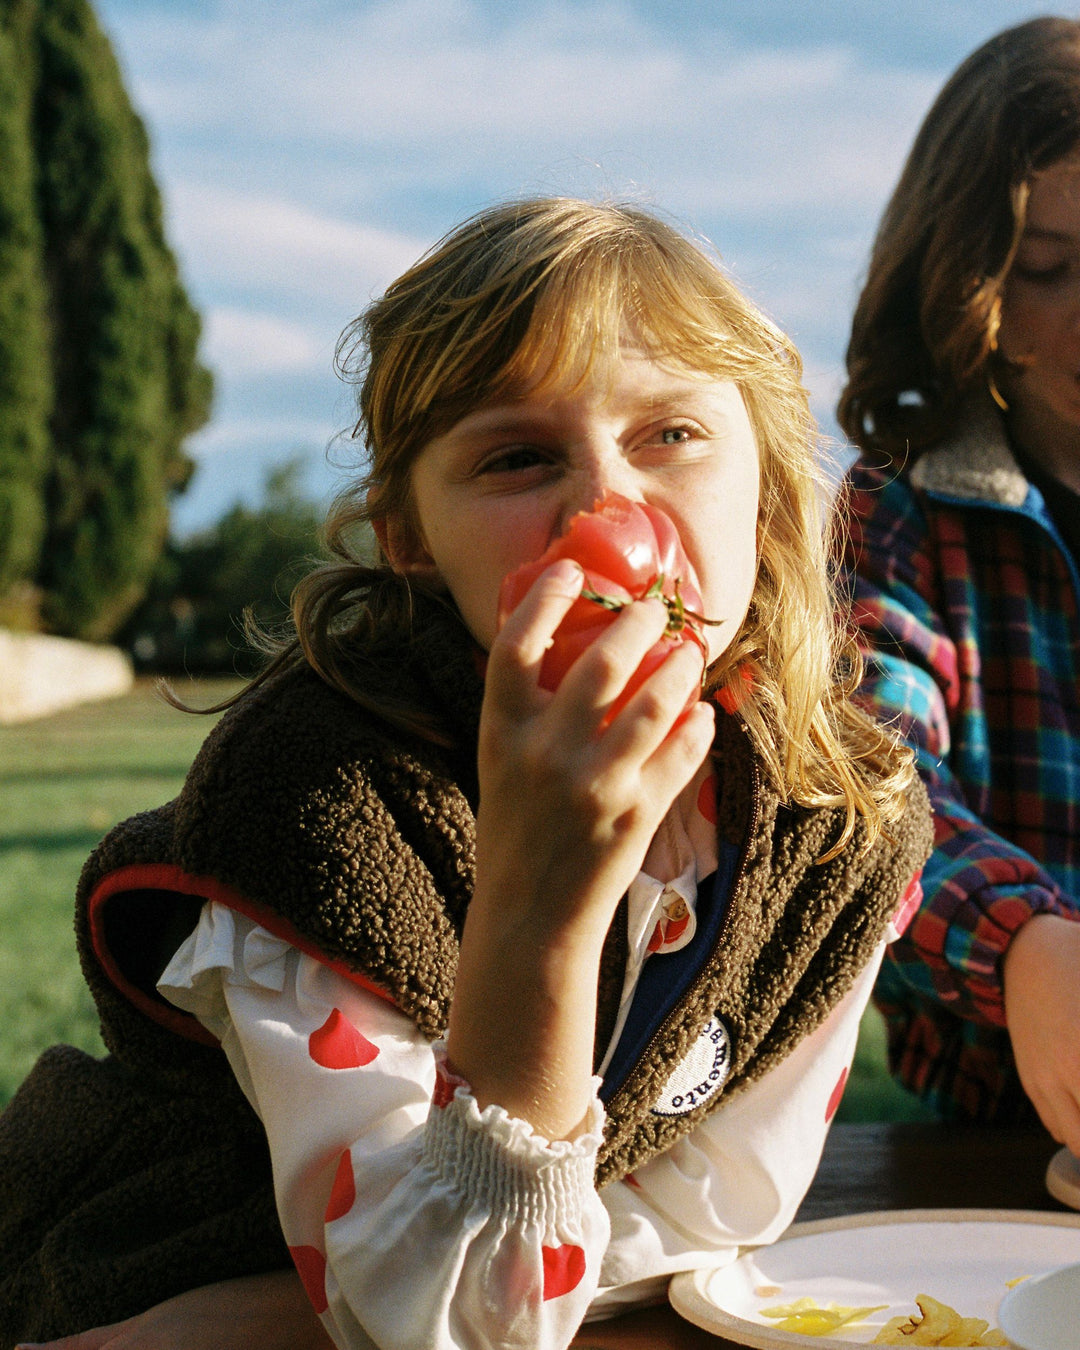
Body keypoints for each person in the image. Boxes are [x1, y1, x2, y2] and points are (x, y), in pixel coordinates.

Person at [0, 197, 930, 1350]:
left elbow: (721, 1206)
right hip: (140, 1280)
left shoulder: (843, 824)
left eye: (672, 435)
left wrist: (312, 1314)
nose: (606, 511)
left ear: (770, 488)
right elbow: (430, 1330)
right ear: (409, 537)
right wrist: (540, 916)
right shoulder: (327, 799)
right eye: (518, 456)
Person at [839, 16, 1080, 1157]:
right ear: (965, 273)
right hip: (984, 1137)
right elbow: (868, 777)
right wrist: (1027, 944)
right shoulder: (901, 517)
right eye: (1048, 270)